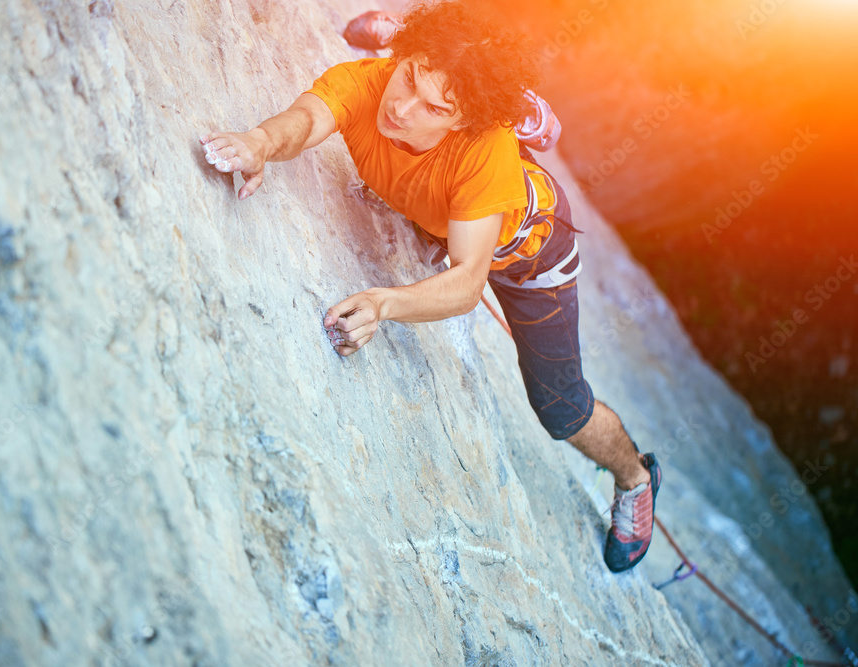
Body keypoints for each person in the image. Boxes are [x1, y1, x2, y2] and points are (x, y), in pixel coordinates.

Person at [199, 0, 661, 573]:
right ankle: (429, 53)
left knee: (560, 407)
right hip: (455, 205)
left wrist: (385, 302)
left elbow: (468, 281)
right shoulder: (368, 84)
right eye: (410, 74)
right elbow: (310, 118)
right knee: (439, 93)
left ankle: (637, 476)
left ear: (460, 121)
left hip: (531, 258)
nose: (401, 106)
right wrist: (262, 142)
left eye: (434, 106)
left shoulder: (480, 146)